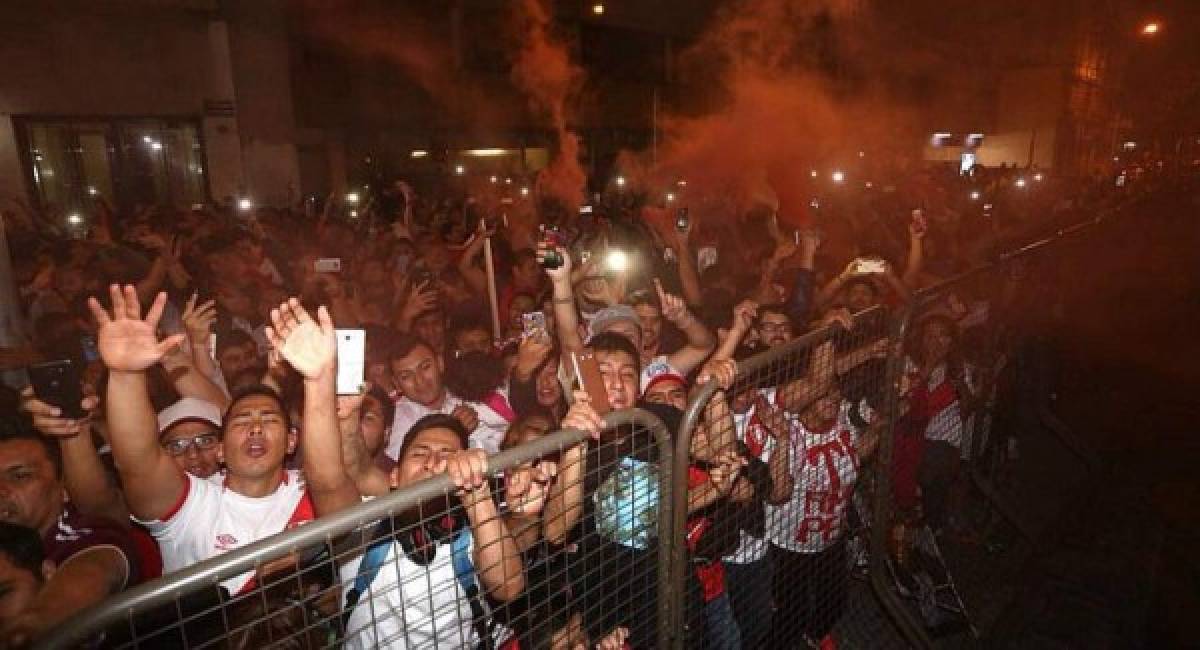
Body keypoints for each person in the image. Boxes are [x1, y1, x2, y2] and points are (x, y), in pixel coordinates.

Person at [265, 296, 525, 648]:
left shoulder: (474, 527)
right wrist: (319, 382)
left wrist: (477, 496)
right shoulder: (367, 525)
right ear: (393, 476)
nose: (434, 461)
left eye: (447, 454)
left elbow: (508, 587)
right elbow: (329, 479)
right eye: (420, 453)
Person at [92, 285, 315, 596]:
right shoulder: (192, 505)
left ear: (292, 442)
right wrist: (125, 375)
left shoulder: (315, 488)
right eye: (241, 421)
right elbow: (138, 462)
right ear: (221, 448)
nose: (255, 428)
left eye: (269, 420)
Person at [0, 417, 137, 645]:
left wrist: (27, 631)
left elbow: (93, 569)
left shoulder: (91, 533)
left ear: (63, 488)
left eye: (19, 476)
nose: (1, 490)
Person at [383, 334, 495, 462]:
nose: (419, 381)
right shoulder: (396, 421)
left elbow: (501, 442)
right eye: (406, 376)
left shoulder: (466, 390)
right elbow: (408, 471)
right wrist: (454, 430)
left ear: (440, 363)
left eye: (425, 367)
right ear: (397, 384)